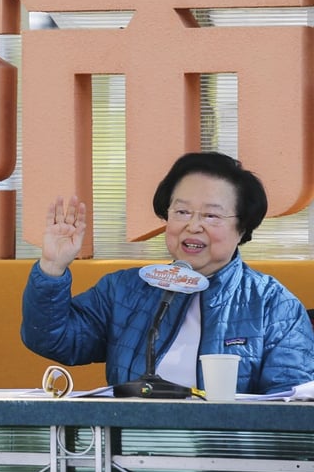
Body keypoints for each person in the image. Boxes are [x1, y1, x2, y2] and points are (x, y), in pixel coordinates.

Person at [22, 151, 314, 395]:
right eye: (182, 212)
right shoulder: (124, 290)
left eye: (211, 215)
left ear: (242, 228)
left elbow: (291, 401)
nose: (193, 225)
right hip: (130, 446)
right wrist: (52, 266)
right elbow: (51, 339)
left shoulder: (273, 306)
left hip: (230, 452)